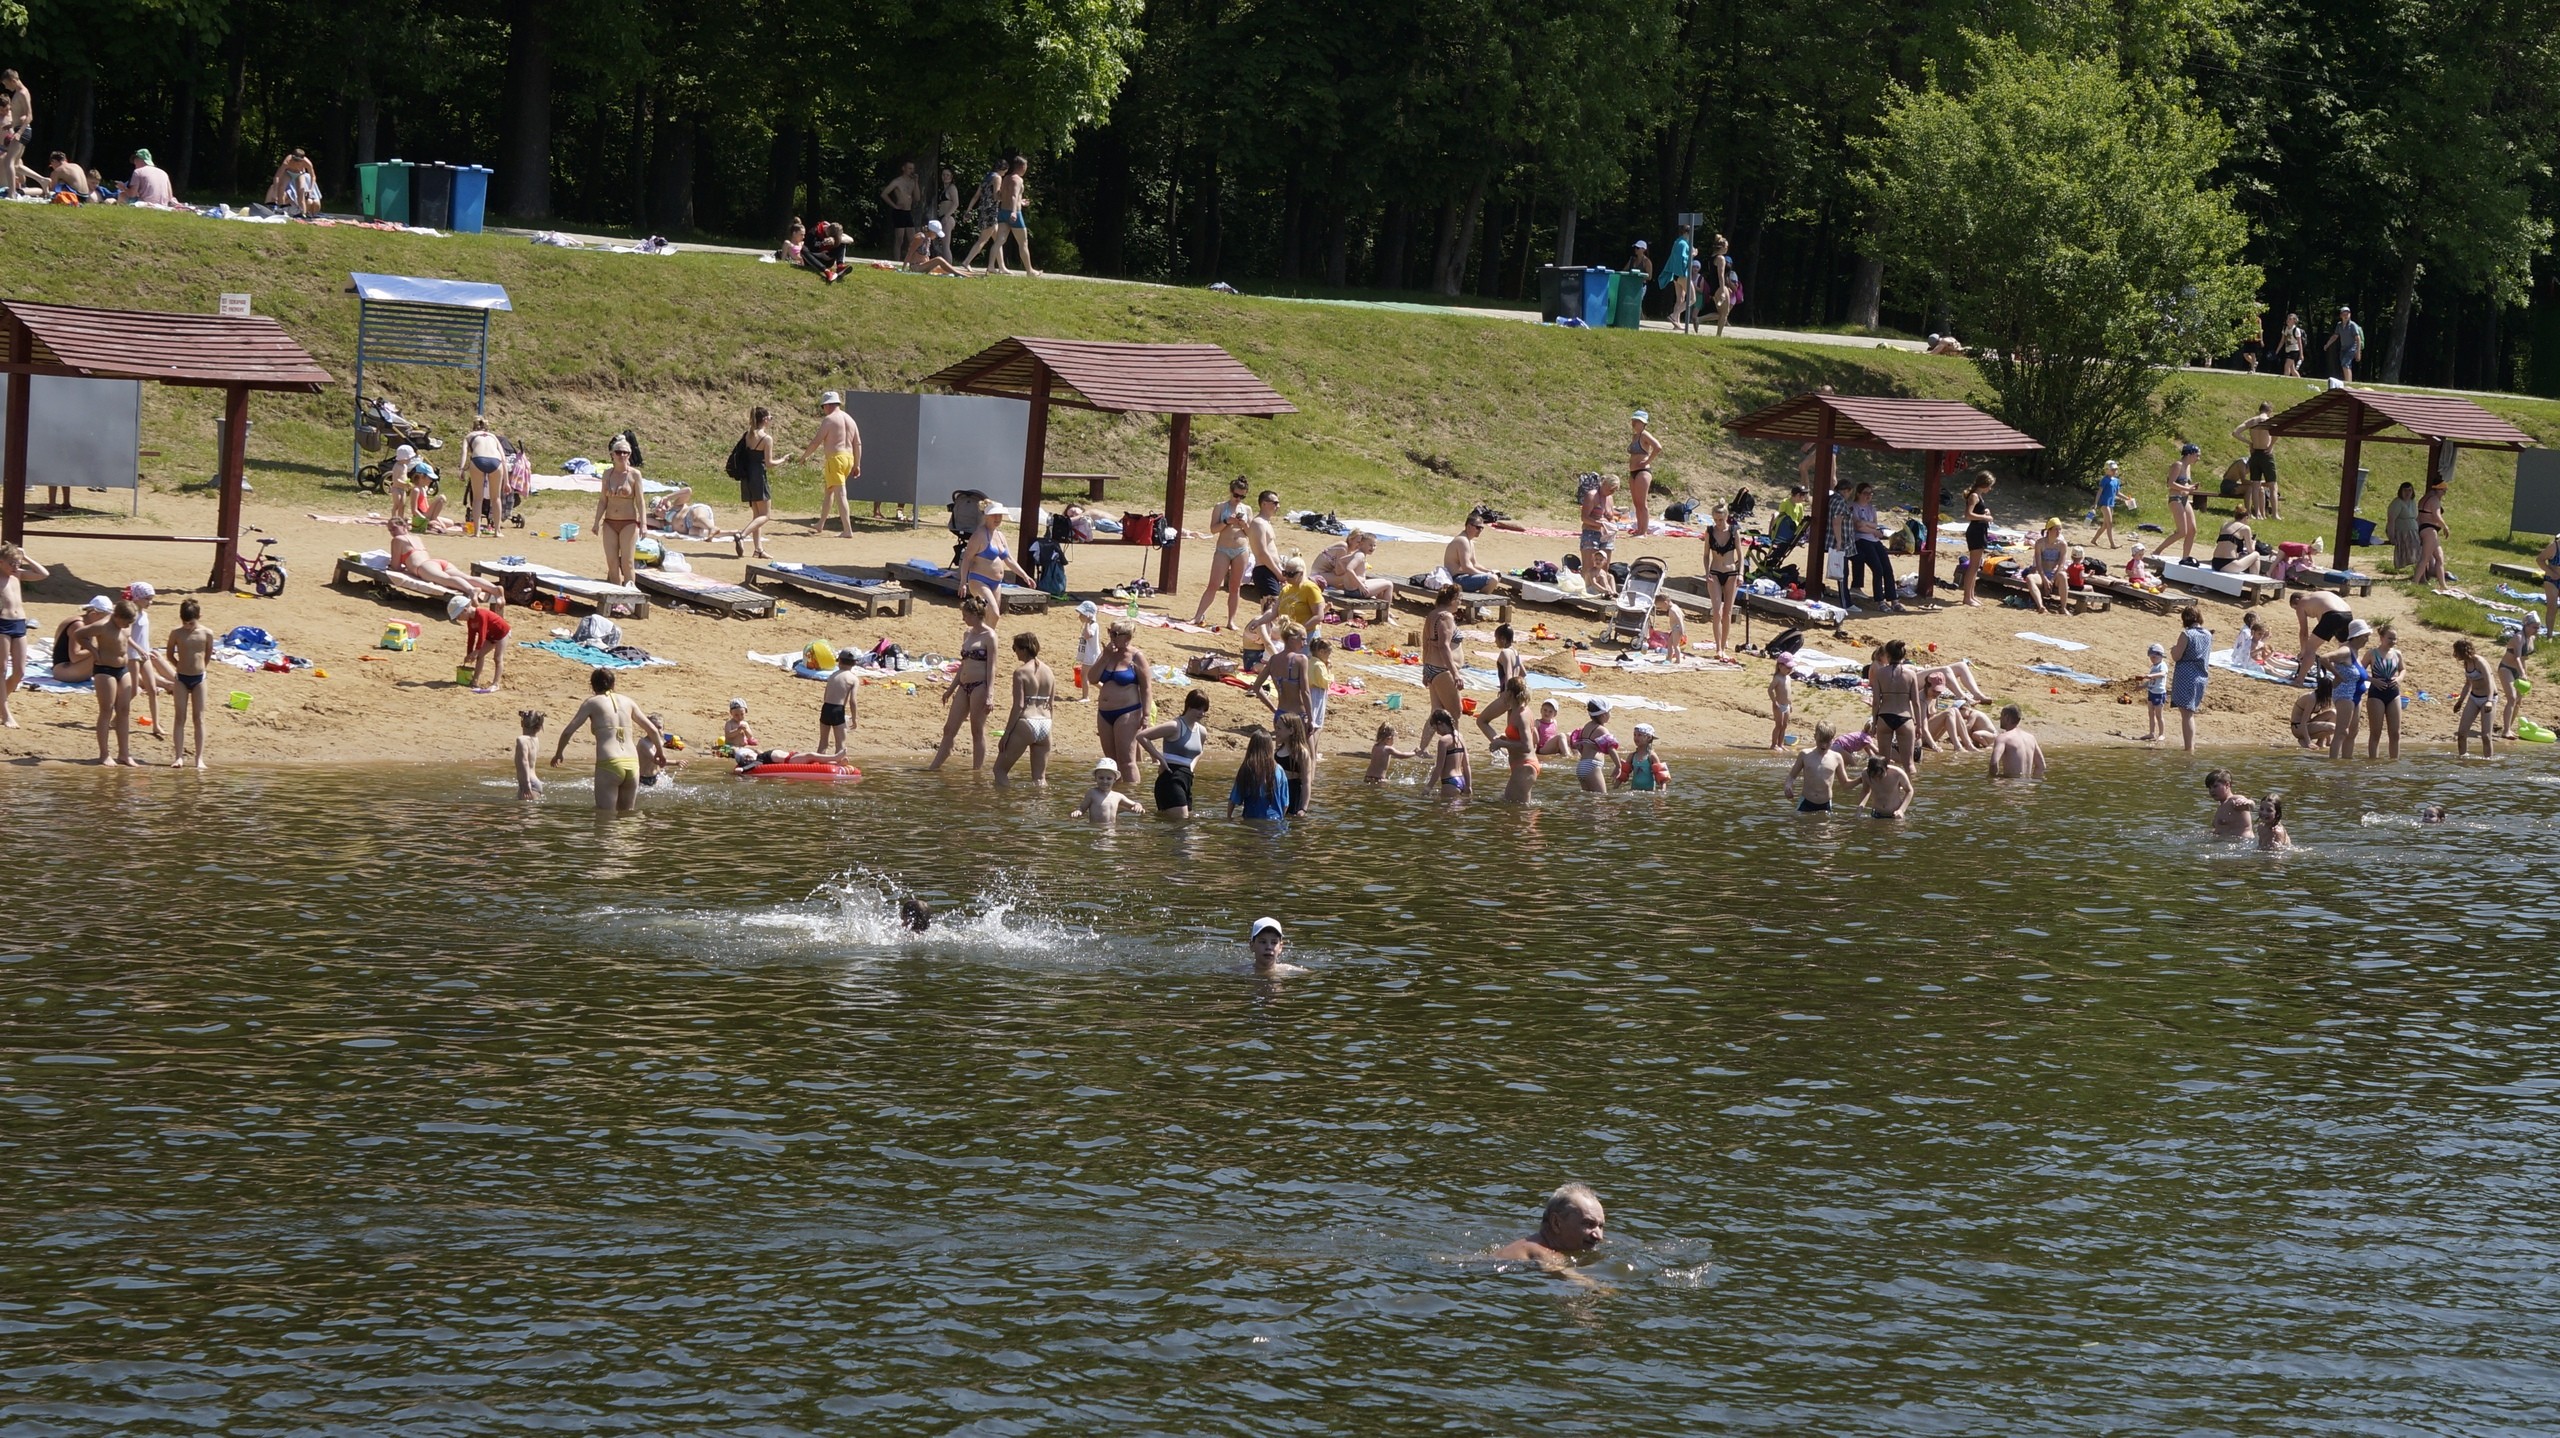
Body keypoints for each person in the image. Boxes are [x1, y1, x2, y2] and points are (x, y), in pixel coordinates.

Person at [553, 668, 661, 814]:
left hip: (610, 763)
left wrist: (559, 753)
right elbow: (653, 730)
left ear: (592, 686)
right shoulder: (628, 702)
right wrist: (660, 753)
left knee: (605, 816)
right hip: (632, 764)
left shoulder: (591, 703)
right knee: (628, 815)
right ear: (613, 684)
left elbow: (568, 732)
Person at [928, 594, 999, 771]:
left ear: (975, 614)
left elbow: (992, 667)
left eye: (966, 615)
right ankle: (934, 767)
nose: (963, 618)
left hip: (980, 686)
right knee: (949, 728)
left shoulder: (990, 636)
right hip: (964, 685)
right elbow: (963, 664)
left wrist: (990, 695)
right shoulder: (967, 634)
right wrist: (951, 689)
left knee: (977, 731)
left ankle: (977, 772)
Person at [70, 599, 136, 764]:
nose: (128, 626)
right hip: (104, 669)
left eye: (130, 623)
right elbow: (79, 635)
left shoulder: (127, 624)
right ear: (117, 616)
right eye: (126, 622)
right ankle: (104, 754)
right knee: (106, 710)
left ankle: (124, 754)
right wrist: (93, 650)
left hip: (123, 669)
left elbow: (125, 640)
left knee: (124, 711)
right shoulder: (102, 625)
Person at [1490, 1183, 1607, 1275]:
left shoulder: (1538, 1244)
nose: (1598, 1236)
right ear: (1556, 1223)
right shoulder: (1540, 1251)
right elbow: (1575, 1280)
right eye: (1588, 1224)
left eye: (1600, 1226)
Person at [992, 631, 1055, 786]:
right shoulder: (1049, 671)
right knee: (1040, 778)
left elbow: (1019, 705)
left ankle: (1006, 805)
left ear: (1024, 649)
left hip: (1027, 721)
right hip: (1045, 723)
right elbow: (1051, 705)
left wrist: (1006, 734)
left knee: (999, 771)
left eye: (1015, 649)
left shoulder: (1020, 672)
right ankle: (1041, 808)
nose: (1015, 653)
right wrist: (1048, 727)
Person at [794, 391, 864, 533]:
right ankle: (821, 524)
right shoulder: (850, 419)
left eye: (823, 407)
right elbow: (858, 444)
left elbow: (816, 441)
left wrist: (804, 456)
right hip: (848, 458)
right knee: (829, 491)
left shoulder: (830, 419)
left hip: (835, 459)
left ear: (827, 405)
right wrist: (857, 464)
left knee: (840, 494)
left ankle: (847, 530)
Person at [1191, 478, 1257, 627]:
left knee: (1235, 587)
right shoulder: (1220, 507)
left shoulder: (1247, 509)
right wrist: (1227, 522)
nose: (1238, 499)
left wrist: (1243, 524)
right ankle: (1197, 616)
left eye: (1242, 496)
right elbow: (1213, 529)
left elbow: (1250, 533)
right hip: (1223, 549)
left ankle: (1231, 621)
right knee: (1213, 584)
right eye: (1236, 495)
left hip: (1241, 549)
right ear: (1230, 492)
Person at [1136, 688, 1211, 815]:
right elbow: (1142, 736)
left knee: (1183, 825)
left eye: (1204, 710)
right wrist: (1159, 758)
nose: (1201, 713)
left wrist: (1191, 767)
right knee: (1181, 823)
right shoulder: (1175, 726)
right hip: (1170, 777)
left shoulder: (1202, 731)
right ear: (1188, 706)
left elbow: (1200, 751)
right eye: (1198, 708)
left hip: (1187, 779)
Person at [1091, 621, 1150, 781]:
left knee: (1126, 761)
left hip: (1127, 712)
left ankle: (1133, 798)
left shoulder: (1137, 657)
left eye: (1115, 634)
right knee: (1111, 762)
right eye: (1110, 632)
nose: (1111, 636)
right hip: (1104, 713)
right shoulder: (1107, 654)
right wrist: (1106, 656)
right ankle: (1114, 797)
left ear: (1127, 637)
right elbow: (1092, 678)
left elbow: (1145, 688)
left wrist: (1146, 715)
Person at [957, 502, 1035, 621]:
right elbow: (967, 558)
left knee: (991, 617)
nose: (998, 518)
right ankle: (983, 637)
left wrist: (1025, 576)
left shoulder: (1000, 536)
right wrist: (963, 582)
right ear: (986, 516)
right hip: (979, 580)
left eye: (1000, 515)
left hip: (996, 583)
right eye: (994, 515)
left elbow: (1009, 559)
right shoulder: (979, 535)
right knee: (993, 612)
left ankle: (985, 638)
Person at [0, 540, 47, 730]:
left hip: (19, 623)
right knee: (2, 668)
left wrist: (25, 556)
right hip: (2, 624)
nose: (15, 566)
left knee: (19, 670)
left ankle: (2, 700)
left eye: (17, 562)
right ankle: (5, 712)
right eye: (11, 563)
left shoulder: (17, 575)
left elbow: (43, 574)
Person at [163, 597, 212, 769]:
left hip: (199, 679)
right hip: (181, 679)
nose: (187, 626)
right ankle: (178, 757)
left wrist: (201, 669)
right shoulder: (176, 633)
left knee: (198, 718)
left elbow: (207, 654)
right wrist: (179, 667)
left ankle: (199, 758)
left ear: (199, 617)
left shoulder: (206, 633)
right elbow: (169, 654)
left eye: (190, 623)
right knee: (179, 717)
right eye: (184, 623)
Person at [591, 436, 645, 585]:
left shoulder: (635, 475)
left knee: (627, 564)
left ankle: (629, 600)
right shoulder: (607, 474)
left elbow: (640, 501)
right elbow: (603, 500)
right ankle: (616, 597)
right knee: (612, 564)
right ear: (612, 454)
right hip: (609, 522)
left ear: (629, 455)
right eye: (619, 452)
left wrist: (644, 523)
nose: (622, 455)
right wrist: (596, 522)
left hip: (628, 523)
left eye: (625, 452)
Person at [1868, 639, 1921, 773]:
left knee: (1883, 762)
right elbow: (1915, 702)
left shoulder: (1880, 673)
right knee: (1909, 764)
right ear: (1903, 655)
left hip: (1885, 717)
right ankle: (1909, 792)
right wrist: (1919, 725)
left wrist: (1874, 723)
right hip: (1905, 717)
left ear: (1887, 654)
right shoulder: (1911, 674)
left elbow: (1875, 702)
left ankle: (1884, 792)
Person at [1700, 501, 1744, 652]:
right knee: (1717, 611)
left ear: (1726, 517)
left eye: (1721, 519)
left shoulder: (1733, 531)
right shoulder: (1710, 532)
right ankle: (1718, 647)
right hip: (1715, 573)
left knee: (1727, 612)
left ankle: (1724, 643)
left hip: (1731, 573)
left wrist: (1741, 574)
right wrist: (1706, 572)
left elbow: (1740, 555)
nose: (1718, 522)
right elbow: (1706, 555)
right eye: (1715, 519)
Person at [1473, 624, 1527, 744]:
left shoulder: (1505, 653)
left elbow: (1508, 674)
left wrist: (1506, 692)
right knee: (1510, 731)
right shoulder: (1515, 652)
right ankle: (1510, 754)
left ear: (1502, 639)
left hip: (1508, 696)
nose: (1495, 641)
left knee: (1481, 721)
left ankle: (1501, 748)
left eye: (1496, 638)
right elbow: (1523, 673)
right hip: (1517, 697)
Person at [2288, 590, 2352, 687]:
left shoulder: (2302, 603)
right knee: (2347, 648)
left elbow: (2304, 632)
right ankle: (2350, 677)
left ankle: (2299, 681)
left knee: (2310, 649)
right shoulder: (2318, 597)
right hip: (2347, 614)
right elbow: (2324, 628)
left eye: (2294, 608)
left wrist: (2303, 651)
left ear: (2296, 601)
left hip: (2332, 615)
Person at [2170, 606, 2212, 752]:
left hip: (2186, 676)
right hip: (2201, 676)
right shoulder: (2207, 634)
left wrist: (2173, 649)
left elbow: (2177, 656)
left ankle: (2189, 748)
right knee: (2190, 713)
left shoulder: (2186, 634)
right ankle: (2190, 747)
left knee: (2187, 715)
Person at [449, 592, 509, 692]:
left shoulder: (481, 614)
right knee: (480, 655)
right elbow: (471, 637)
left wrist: (475, 652)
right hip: (491, 636)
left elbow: (482, 634)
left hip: (502, 633)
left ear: (464, 610)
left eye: (458, 617)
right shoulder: (470, 621)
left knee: (497, 657)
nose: (459, 619)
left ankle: (495, 684)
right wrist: (469, 654)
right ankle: (475, 681)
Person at [958, 162, 1009, 273]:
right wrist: (1009, 197)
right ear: (1002, 169)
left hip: (983, 210)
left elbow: (976, 196)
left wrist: (968, 210)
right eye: (1005, 171)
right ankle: (966, 262)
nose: (1005, 174)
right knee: (983, 239)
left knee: (997, 240)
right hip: (991, 211)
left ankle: (1001, 267)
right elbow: (996, 197)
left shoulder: (987, 177)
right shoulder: (998, 177)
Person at [2363, 622, 2404, 759]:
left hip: (2393, 693)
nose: (2393, 641)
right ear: (2381, 637)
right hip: (2376, 693)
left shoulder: (2397, 654)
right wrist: (2372, 680)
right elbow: (2360, 671)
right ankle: (2373, 762)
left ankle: (2394, 762)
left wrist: (2399, 679)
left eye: (2395, 638)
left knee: (2395, 733)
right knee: (2376, 732)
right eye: (2390, 638)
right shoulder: (2372, 653)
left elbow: (2403, 669)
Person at [1314, 529, 1392, 601]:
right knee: (1389, 584)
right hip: (1356, 591)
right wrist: (1360, 584)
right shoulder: (1359, 555)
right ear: (1362, 544)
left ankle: (1383, 608)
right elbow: (1349, 569)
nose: (1373, 548)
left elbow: (1341, 560)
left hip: (1351, 589)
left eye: (1374, 545)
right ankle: (1386, 612)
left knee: (1383, 581)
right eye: (1370, 545)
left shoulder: (1356, 553)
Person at [1226, 732, 1290, 820]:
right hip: (1274, 822)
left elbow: (1234, 799)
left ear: (1251, 747)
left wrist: (1229, 817)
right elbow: (1285, 803)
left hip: (1251, 820)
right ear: (1270, 748)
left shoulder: (1247, 768)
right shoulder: (1279, 770)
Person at [457, 415, 504, 534]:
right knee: (496, 498)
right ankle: (497, 531)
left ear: (473, 427)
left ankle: (477, 532)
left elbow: (464, 453)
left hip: (478, 460)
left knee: (477, 499)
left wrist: (461, 469)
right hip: (496, 461)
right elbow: (503, 458)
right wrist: (507, 481)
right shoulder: (493, 436)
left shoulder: (469, 436)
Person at [994, 156, 1040, 276]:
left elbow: (1004, 196)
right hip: (1014, 213)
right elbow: (1014, 196)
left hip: (1003, 211)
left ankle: (990, 266)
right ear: (1022, 167)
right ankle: (1029, 271)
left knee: (999, 241)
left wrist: (1021, 202)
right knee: (1023, 243)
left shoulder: (1006, 178)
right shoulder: (1018, 180)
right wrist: (1014, 211)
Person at [1577, 473, 1621, 598]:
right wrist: (1600, 524)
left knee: (1604, 565)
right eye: (1611, 488)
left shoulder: (1609, 498)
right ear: (1604, 484)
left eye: (1615, 490)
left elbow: (1610, 516)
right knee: (1589, 566)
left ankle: (1604, 592)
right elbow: (1584, 518)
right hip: (1591, 533)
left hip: (1606, 535)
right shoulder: (1592, 495)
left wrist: (1612, 524)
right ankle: (1586, 592)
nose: (1612, 492)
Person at [2452, 637, 2497, 757]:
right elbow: (2468, 684)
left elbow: (2489, 681)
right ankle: (2463, 758)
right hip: (2474, 697)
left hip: (2488, 698)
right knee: (2462, 733)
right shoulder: (2466, 663)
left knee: (2486, 736)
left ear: (2463, 651)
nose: (2454, 655)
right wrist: (2460, 701)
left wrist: (2489, 700)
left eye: (2456, 652)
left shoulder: (2480, 662)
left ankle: (2488, 763)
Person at [2496, 614, 2538, 740]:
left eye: (2538, 627)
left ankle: (2509, 728)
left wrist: (2525, 674)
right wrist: (2522, 674)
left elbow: (2524, 659)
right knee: (2512, 698)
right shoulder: (2518, 637)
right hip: (2506, 668)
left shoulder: (2532, 638)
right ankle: (2506, 730)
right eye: (2534, 627)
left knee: (2519, 700)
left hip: (2519, 670)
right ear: (2526, 625)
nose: (2537, 630)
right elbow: (2517, 657)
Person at [1957, 472, 1996, 607]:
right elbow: (1968, 514)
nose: (1990, 489)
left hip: (1980, 531)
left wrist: (1984, 512)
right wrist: (1985, 518)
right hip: (1975, 532)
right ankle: (1967, 597)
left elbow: (1976, 513)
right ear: (1984, 484)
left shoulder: (1978, 496)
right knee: (1973, 566)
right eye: (1989, 486)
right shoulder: (1974, 496)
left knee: (1976, 564)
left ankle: (1971, 595)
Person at [1241, 488, 1286, 601]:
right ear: (1264, 504)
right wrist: (1279, 574)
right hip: (1264, 571)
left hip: (1269, 570)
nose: (1278, 506)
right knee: (1270, 610)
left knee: (1271, 610)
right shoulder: (1259, 523)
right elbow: (1262, 553)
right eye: (1275, 503)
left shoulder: (1265, 523)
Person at [1569, 699, 1620, 794]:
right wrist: (1618, 766)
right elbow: (1611, 749)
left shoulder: (1586, 727)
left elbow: (1581, 747)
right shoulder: (1602, 730)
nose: (1610, 714)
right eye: (1610, 712)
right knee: (1600, 797)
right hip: (1592, 766)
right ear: (1604, 714)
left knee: (1588, 798)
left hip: (1581, 766)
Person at [2411, 472, 2453, 586]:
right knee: (2425, 559)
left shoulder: (2425, 497)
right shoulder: (2434, 500)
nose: (2444, 493)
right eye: (2443, 490)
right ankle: (2414, 582)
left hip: (2424, 528)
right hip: (2429, 530)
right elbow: (2437, 516)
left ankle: (2443, 585)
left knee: (2440, 558)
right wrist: (2446, 527)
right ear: (2438, 490)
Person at [2025, 518, 2074, 615]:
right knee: (2029, 578)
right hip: (2043, 573)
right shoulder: (2040, 543)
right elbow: (2038, 564)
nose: (2058, 532)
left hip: (2055, 575)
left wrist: (2052, 579)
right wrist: (2044, 579)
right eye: (2056, 529)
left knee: (2063, 575)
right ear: (2049, 530)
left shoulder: (2062, 544)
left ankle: (2063, 607)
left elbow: (2061, 564)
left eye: (2060, 529)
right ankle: (2041, 606)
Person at [1073, 757, 1143, 824]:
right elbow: (1082, 808)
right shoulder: (1092, 793)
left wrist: (1138, 806)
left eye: (1109, 778)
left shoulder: (1118, 796)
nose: (1105, 781)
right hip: (1097, 830)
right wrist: (1078, 812)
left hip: (1112, 830)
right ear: (1095, 778)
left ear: (1114, 780)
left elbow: (1134, 804)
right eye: (1101, 778)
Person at [1626, 411, 1663, 536]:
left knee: (1642, 503)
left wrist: (1647, 461)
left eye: (1637, 421)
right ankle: (1639, 529)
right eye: (1633, 420)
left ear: (1643, 423)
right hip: (1633, 472)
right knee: (1636, 503)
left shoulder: (1644, 434)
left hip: (1642, 471)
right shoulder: (1635, 436)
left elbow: (1658, 447)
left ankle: (1644, 531)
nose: (1634, 423)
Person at [1985, 704, 2047, 778]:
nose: (2000, 718)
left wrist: (1994, 782)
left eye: (2001, 715)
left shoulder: (2003, 738)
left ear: (2007, 717)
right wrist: (2032, 782)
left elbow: (1994, 763)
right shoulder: (2031, 738)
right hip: (2027, 787)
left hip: (2010, 786)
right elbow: (2041, 766)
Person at [2162, 443, 2201, 562]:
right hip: (2175, 498)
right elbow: (2170, 483)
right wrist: (2187, 489)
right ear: (2189, 454)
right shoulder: (2177, 465)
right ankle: (2157, 551)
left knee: (2192, 529)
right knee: (2181, 531)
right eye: (2197, 456)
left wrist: (2191, 487)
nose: (2198, 459)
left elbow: (2185, 485)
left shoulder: (2188, 467)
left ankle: (2185, 557)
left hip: (2184, 499)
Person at [818, 650, 859, 757]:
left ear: (839, 661)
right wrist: (854, 719)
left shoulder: (832, 675)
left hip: (826, 708)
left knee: (823, 743)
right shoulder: (853, 679)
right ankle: (839, 765)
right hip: (838, 710)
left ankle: (817, 765)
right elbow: (852, 701)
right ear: (855, 663)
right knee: (840, 744)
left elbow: (825, 696)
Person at [1443, 514, 1500, 591]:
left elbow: (1474, 564)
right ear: (1469, 526)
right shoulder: (1462, 541)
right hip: (1456, 580)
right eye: (1478, 528)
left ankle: (1481, 598)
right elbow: (1466, 567)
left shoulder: (1469, 541)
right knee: (1492, 579)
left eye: (1482, 528)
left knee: (1495, 576)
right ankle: (1481, 599)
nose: (1480, 530)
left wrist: (1489, 571)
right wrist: (1485, 575)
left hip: (1464, 577)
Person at [1347, 721, 1416, 783]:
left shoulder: (1375, 747)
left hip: (1367, 778)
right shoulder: (1388, 749)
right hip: (1379, 779)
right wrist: (1414, 753)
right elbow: (1402, 755)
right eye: (1394, 738)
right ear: (1389, 738)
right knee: (1394, 783)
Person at [261, 147, 322, 217]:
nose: (296, 163)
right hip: (288, 173)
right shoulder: (287, 161)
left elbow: (313, 176)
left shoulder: (307, 163)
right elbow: (277, 176)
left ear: (302, 159)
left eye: (299, 161)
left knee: (301, 193)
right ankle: (281, 209)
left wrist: (311, 189)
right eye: (294, 160)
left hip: (299, 173)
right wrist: (275, 191)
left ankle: (303, 213)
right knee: (281, 187)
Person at [880, 160, 923, 257]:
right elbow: (884, 194)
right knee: (899, 238)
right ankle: (896, 260)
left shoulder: (913, 182)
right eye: (909, 168)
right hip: (899, 211)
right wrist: (894, 205)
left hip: (908, 212)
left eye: (913, 169)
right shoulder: (897, 181)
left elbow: (917, 198)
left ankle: (912, 260)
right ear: (903, 169)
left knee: (912, 238)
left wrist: (916, 182)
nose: (911, 171)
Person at [1276, 711, 1316, 814]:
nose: (1276, 731)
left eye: (1279, 729)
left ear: (1291, 731)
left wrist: (1303, 808)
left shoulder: (1301, 753)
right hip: (1277, 794)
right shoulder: (1278, 751)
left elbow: (1307, 782)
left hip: (1293, 794)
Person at [1423, 708, 1469, 795]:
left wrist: (1428, 788)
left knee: (1444, 808)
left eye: (1436, 728)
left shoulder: (1443, 741)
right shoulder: (1460, 737)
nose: (1437, 732)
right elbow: (1466, 765)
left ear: (1440, 723)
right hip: (1462, 780)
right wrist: (1469, 786)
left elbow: (1439, 768)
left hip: (1449, 782)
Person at [1857, 754, 1914, 818]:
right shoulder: (1865, 774)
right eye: (1873, 776)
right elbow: (1865, 791)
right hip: (1876, 814)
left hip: (1895, 815)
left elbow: (1909, 791)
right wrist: (1860, 808)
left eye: (1880, 776)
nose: (1877, 779)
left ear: (1886, 768)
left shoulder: (1898, 773)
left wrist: (1901, 810)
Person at [2290, 674, 2338, 748]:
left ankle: (2321, 742)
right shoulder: (2311, 698)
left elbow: (2327, 721)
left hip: (2308, 724)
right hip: (2298, 727)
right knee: (2332, 728)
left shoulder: (2321, 699)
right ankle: (2303, 739)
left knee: (2333, 713)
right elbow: (2303, 722)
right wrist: (2308, 742)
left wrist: (2328, 740)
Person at [2204, 769, 2254, 839]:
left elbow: (2251, 805)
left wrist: (2248, 802)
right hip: (2227, 843)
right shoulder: (2222, 806)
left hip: (2242, 843)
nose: (2212, 790)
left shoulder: (2234, 800)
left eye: (2215, 786)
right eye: (2209, 788)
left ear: (2227, 785)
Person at [1620, 723, 1669, 791]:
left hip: (1649, 792)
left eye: (1639, 735)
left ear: (1648, 738)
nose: (1636, 738)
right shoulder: (1632, 756)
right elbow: (1623, 774)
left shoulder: (1651, 756)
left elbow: (1660, 775)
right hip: (1634, 790)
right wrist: (1614, 789)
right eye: (1635, 735)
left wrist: (1663, 791)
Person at [1071, 600, 1102, 700]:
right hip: (1089, 654)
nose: (1079, 616)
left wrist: (1087, 623)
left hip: (1091, 655)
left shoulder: (1093, 625)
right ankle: (1104, 688)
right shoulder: (1090, 625)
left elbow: (1088, 635)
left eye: (1082, 614)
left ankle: (1086, 697)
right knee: (1090, 677)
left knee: (1084, 675)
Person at [2325, 305, 2363, 382]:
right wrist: (2327, 344)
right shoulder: (2339, 325)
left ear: (2350, 315)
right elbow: (2335, 336)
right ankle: (2348, 381)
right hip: (2343, 348)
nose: (2346, 316)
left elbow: (2358, 338)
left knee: (2345, 364)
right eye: (2344, 314)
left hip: (2352, 347)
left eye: (2347, 314)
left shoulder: (2352, 325)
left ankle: (2348, 382)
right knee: (2345, 365)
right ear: (2341, 316)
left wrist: (2358, 352)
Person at [1709, 234, 1737, 335]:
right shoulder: (1721, 258)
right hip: (1720, 287)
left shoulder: (1713, 256)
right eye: (1727, 246)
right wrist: (1722, 291)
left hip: (1715, 286)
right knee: (1724, 313)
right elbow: (1720, 276)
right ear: (1723, 247)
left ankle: (1699, 319)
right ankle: (1718, 335)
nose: (1727, 248)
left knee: (1723, 313)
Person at [1767, 652, 1795, 751]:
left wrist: (1790, 704)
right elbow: (1770, 690)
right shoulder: (1777, 678)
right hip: (1778, 705)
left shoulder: (1788, 678)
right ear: (1780, 666)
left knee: (1784, 725)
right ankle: (1774, 744)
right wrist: (1774, 701)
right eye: (1787, 668)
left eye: (1791, 668)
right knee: (1778, 725)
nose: (1789, 670)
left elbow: (1788, 693)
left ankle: (1781, 744)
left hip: (1786, 705)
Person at [2091, 460, 2122, 549]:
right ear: (2107, 470)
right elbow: (2099, 492)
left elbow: (2117, 493)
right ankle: (2112, 544)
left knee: (2105, 525)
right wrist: (2096, 503)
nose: (2114, 471)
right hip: (2104, 504)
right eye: (2112, 469)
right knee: (2109, 523)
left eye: (2115, 469)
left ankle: (2094, 540)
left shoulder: (2116, 481)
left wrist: (2127, 499)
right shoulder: (2105, 480)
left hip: (2111, 504)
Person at [2141, 642, 2168, 742]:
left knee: (2159, 715)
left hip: (2159, 693)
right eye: (2151, 657)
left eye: (2154, 657)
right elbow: (2151, 681)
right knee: (2150, 713)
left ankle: (2161, 734)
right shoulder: (2153, 666)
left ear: (2160, 656)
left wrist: (2151, 676)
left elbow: (2162, 674)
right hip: (2151, 692)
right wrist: (2142, 686)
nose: (2152, 659)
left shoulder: (2162, 665)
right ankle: (2151, 733)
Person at [2277, 312, 2306, 377]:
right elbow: (2282, 341)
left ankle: (2285, 380)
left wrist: (2301, 354)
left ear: (2294, 321)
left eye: (2290, 319)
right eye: (2287, 318)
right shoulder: (2285, 329)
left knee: (2286, 365)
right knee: (2292, 369)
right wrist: (2277, 350)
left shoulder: (2296, 330)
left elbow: (2299, 343)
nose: (2288, 320)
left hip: (2295, 350)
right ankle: (2299, 380)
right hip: (2288, 349)